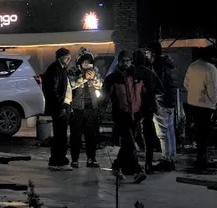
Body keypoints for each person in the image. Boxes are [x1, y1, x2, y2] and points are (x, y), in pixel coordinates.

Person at [103, 51, 148, 183]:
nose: (126, 63)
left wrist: (145, 110)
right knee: (130, 143)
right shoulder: (113, 79)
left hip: (135, 115)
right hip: (121, 115)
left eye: (128, 60)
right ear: (119, 61)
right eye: (123, 60)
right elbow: (105, 97)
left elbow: (144, 95)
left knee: (127, 145)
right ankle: (137, 171)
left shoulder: (138, 77)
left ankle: (116, 167)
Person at [184, 46, 217, 170]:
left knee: (198, 131)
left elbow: (186, 83)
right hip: (205, 105)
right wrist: (214, 103)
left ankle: (200, 156)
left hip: (192, 103)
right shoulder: (211, 69)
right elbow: (212, 89)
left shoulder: (192, 65)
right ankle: (202, 158)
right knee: (204, 132)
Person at [147, 41, 179, 171]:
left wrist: (153, 98)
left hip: (161, 102)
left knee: (163, 133)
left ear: (153, 53)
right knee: (170, 131)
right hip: (170, 101)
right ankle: (171, 158)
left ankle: (166, 159)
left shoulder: (157, 66)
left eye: (147, 52)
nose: (146, 55)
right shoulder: (167, 64)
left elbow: (156, 85)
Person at [69, 49, 103, 168]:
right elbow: (72, 85)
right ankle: (75, 160)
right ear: (79, 62)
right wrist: (83, 77)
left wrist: (93, 79)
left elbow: (100, 85)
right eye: (84, 61)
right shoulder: (73, 71)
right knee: (76, 136)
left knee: (91, 135)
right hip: (77, 108)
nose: (86, 63)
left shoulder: (95, 71)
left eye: (88, 61)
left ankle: (91, 159)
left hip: (91, 107)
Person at [42, 48, 74, 170]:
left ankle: (57, 159)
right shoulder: (55, 69)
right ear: (60, 57)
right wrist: (60, 106)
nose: (69, 60)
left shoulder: (62, 69)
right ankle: (58, 161)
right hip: (60, 105)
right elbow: (52, 90)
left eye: (69, 57)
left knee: (61, 133)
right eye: (67, 57)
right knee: (60, 133)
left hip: (65, 104)